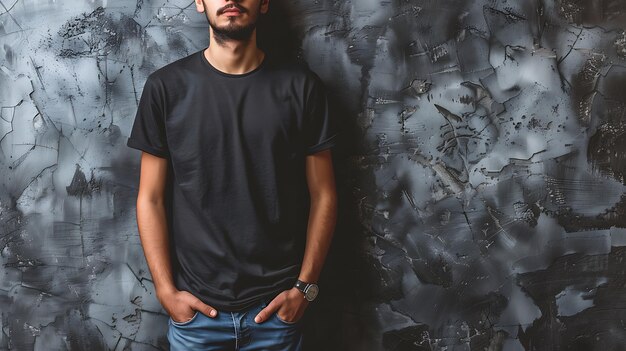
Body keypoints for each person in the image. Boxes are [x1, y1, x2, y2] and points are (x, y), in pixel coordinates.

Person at [126, 0, 338, 349]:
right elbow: (150, 197)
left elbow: (325, 194)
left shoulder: (302, 87)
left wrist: (305, 288)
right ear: (199, 2)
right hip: (196, 319)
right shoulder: (165, 88)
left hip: (276, 317)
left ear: (265, 3)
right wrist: (166, 292)